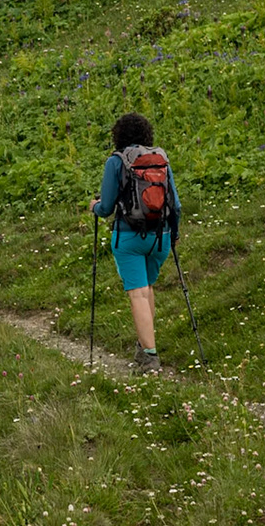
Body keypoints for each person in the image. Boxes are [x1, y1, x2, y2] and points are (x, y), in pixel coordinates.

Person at [89, 111, 181, 370]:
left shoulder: (116, 162)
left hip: (129, 237)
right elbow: (176, 204)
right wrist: (173, 235)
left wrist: (94, 207)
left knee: (138, 294)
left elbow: (106, 207)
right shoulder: (160, 159)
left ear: (118, 135)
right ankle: (144, 346)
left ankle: (150, 357)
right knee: (148, 287)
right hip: (160, 237)